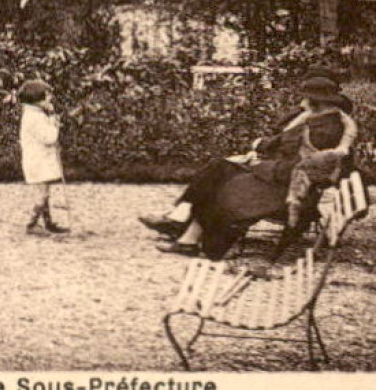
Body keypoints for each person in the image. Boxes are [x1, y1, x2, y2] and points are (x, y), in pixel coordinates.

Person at [141, 77, 358, 259]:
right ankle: (184, 231)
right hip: (285, 181)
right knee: (220, 170)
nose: (302, 101)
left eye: (305, 98)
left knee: (224, 185)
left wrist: (258, 165)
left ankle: (187, 233)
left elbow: (295, 167)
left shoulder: (321, 130)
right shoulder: (323, 121)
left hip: (288, 190)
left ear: (314, 101)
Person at [18, 79, 68, 235]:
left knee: (45, 194)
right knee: (42, 195)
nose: (49, 100)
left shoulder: (35, 114)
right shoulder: (35, 118)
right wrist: (54, 123)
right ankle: (31, 224)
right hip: (38, 162)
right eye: (46, 97)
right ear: (36, 99)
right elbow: (50, 138)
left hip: (39, 160)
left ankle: (48, 223)